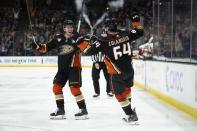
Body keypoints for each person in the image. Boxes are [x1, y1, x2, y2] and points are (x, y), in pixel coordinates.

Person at [77, 15, 144, 123]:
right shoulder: (125, 33)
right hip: (129, 69)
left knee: (118, 94)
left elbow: (89, 51)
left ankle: (130, 114)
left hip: (117, 72)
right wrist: (136, 22)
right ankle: (129, 111)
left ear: (107, 28)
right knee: (127, 90)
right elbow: (140, 32)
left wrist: (80, 43)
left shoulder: (103, 40)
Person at [32, 19, 88, 120]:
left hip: (74, 68)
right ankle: (60, 110)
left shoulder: (78, 38)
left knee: (74, 89)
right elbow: (46, 48)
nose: (70, 29)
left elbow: (87, 49)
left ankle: (83, 110)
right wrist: (38, 46)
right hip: (62, 69)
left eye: (71, 27)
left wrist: (81, 41)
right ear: (64, 28)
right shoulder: (58, 38)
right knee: (56, 87)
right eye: (68, 27)